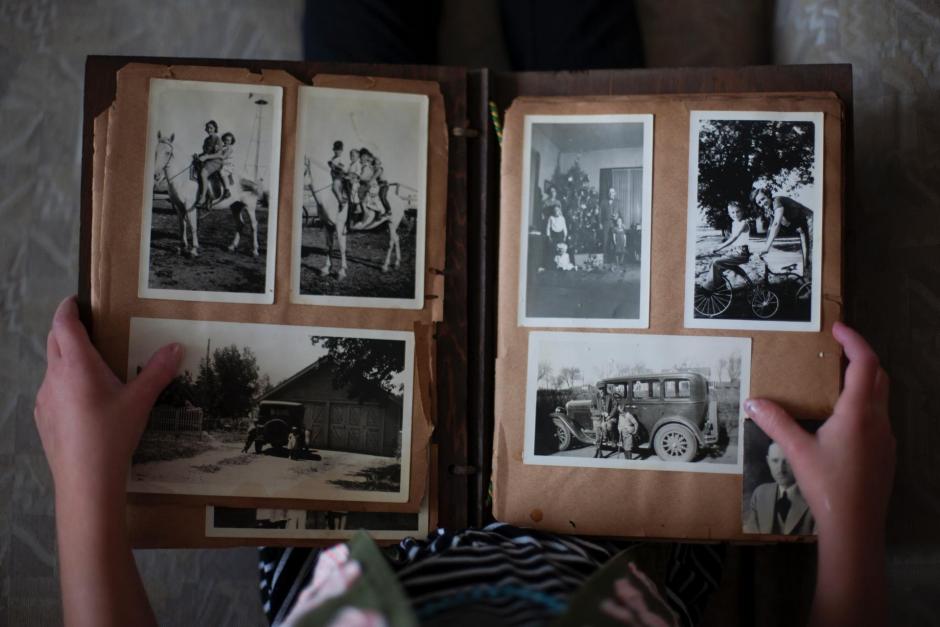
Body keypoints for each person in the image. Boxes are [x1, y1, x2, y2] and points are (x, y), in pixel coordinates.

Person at [35, 295, 894, 626]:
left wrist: (84, 481)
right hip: (610, 536)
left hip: (347, 542)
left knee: (358, 43)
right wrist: (851, 528)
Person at [744, 442, 815, 535]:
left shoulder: (815, 499)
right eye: (775, 461)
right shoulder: (760, 494)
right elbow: (750, 534)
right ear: (768, 461)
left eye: (788, 461)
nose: (781, 469)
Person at [752, 188, 814, 279]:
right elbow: (771, 228)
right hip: (802, 228)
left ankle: (813, 283)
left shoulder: (777, 201)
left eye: (763, 199)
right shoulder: (771, 210)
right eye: (759, 203)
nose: (762, 203)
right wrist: (764, 246)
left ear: (768, 195)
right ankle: (809, 284)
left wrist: (766, 247)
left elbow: (776, 224)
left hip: (811, 221)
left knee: (812, 254)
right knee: (804, 260)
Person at [705, 201, 752, 291]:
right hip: (734, 251)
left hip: (741, 253)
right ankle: (721, 286)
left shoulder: (744, 223)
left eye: (738, 211)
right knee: (712, 263)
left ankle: (709, 287)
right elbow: (733, 240)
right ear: (729, 213)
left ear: (742, 211)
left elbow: (734, 237)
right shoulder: (734, 223)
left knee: (716, 262)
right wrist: (721, 248)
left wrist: (719, 247)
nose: (735, 214)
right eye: (732, 212)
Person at [194, 120, 225, 207]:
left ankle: (203, 197)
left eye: (211, 128)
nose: (209, 129)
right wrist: (198, 156)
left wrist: (206, 157)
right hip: (208, 161)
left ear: (215, 128)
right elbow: (205, 152)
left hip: (216, 161)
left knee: (203, 173)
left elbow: (219, 154)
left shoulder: (217, 139)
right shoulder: (206, 140)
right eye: (207, 128)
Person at [327, 140, 348, 205]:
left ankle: (341, 201)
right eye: (335, 150)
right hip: (334, 177)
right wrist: (330, 164)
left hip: (340, 177)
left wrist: (334, 165)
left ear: (341, 150)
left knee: (335, 186)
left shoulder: (342, 158)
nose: (337, 151)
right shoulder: (333, 158)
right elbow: (332, 166)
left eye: (338, 150)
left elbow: (343, 168)